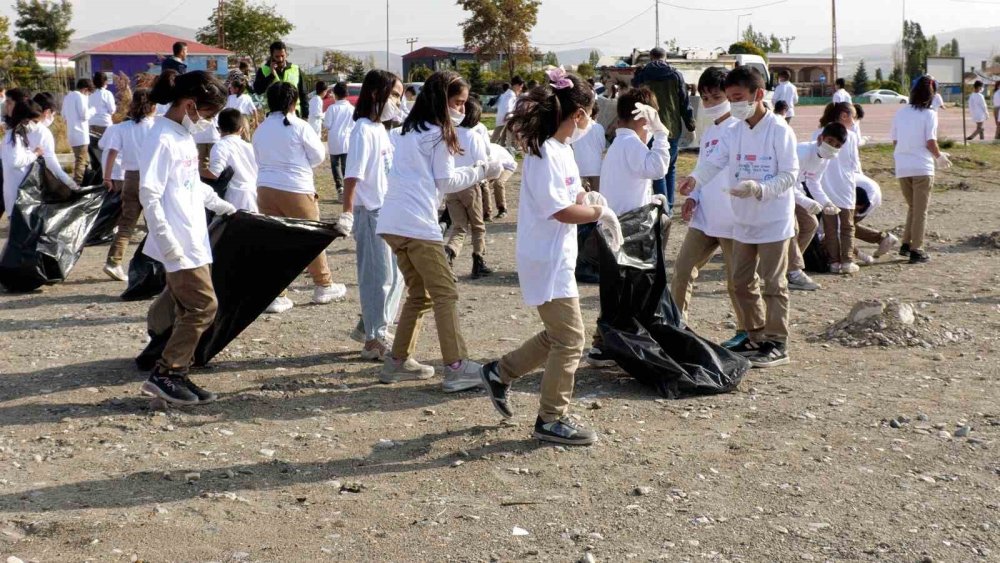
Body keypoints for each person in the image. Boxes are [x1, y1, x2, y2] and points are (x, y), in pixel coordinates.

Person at [478, 68, 620, 446]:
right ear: (577, 115)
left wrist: (589, 200)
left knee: (560, 333)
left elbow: (572, 198)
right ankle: (551, 418)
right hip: (546, 255)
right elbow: (559, 211)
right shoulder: (543, 155)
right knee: (571, 339)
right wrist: (597, 213)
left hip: (558, 255)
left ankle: (499, 372)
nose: (591, 121)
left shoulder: (561, 151)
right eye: (589, 113)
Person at [375, 70, 503, 390]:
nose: (461, 109)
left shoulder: (406, 131)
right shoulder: (440, 133)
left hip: (393, 222)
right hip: (417, 225)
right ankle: (457, 367)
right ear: (441, 101)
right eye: (457, 102)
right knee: (446, 292)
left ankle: (397, 362)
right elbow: (446, 182)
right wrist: (481, 170)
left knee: (421, 294)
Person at [679, 66, 799, 368]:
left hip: (772, 219)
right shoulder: (735, 131)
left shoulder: (779, 129)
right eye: (730, 99)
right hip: (743, 220)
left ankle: (777, 342)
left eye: (738, 98)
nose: (733, 105)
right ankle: (754, 335)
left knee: (773, 282)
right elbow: (715, 161)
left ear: (758, 95)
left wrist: (760, 188)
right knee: (742, 281)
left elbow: (790, 174)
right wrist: (694, 180)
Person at [139, 70, 237, 405]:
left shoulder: (182, 137)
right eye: (208, 114)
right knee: (203, 306)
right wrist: (168, 245)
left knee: (187, 310)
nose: (209, 122)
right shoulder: (160, 137)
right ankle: (166, 373)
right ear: (191, 105)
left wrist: (224, 206)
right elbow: (149, 195)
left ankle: (178, 373)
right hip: (178, 242)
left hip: (194, 238)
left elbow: (191, 185)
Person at [669, 68, 746, 346]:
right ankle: (677, 325)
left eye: (716, 96)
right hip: (705, 217)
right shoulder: (711, 131)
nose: (711, 103)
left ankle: (746, 330)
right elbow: (704, 168)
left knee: (737, 281)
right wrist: (694, 197)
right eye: (706, 98)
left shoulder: (740, 128)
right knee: (682, 271)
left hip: (731, 219)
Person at [253, 81, 344, 312]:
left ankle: (276, 294)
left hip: (265, 189)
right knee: (311, 238)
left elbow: (258, 157)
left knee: (275, 243)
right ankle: (323, 284)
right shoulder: (299, 126)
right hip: (296, 187)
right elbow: (318, 155)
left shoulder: (261, 128)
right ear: (293, 102)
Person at [341, 69, 404, 361]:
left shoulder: (381, 129)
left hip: (388, 209)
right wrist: (347, 213)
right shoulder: (363, 130)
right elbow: (352, 176)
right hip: (370, 212)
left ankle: (371, 324)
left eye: (400, 97)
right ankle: (373, 340)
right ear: (377, 94)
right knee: (378, 277)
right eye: (394, 95)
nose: (397, 101)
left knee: (398, 275)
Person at [889, 75, 951, 264]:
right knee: (920, 210)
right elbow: (930, 141)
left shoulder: (900, 113)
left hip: (902, 165)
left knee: (913, 207)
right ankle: (918, 249)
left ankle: (906, 244)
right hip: (922, 167)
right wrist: (939, 157)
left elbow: (895, 140)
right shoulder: (929, 114)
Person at [101, 88, 157, 281]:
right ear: (153, 106)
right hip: (153, 178)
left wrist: (107, 177)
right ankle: (154, 265)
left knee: (126, 224)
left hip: (130, 178)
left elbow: (111, 152)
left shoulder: (122, 128)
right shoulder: (157, 127)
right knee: (155, 224)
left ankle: (114, 262)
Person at [787, 122, 847, 292]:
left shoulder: (824, 158)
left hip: (795, 191)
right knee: (793, 228)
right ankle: (794, 271)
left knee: (811, 224)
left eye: (837, 146)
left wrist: (826, 202)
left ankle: (787, 265)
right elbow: (787, 182)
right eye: (829, 141)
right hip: (781, 190)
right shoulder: (803, 152)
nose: (832, 147)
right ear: (821, 138)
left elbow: (813, 181)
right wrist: (806, 202)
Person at [632, 47, 695, 209]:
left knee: (657, 170)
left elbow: (635, 98)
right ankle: (670, 206)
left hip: (649, 128)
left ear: (650, 57)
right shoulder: (675, 75)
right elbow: (684, 102)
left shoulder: (642, 75)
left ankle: (662, 208)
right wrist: (690, 125)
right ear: (665, 57)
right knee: (670, 167)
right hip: (672, 126)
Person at [444, 97, 494, 278]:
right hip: (469, 184)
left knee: (459, 226)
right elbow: (482, 161)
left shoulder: (448, 133)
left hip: (450, 185)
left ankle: (449, 252)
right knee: (478, 226)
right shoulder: (473, 135)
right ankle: (478, 261)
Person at [813, 102, 862, 274]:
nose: (854, 121)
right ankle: (847, 261)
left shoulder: (818, 133)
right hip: (844, 185)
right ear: (844, 116)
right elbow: (854, 164)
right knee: (847, 226)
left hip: (822, 185)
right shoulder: (851, 136)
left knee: (830, 227)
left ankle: (834, 262)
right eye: (853, 116)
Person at [205, 108, 258, 212]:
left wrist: (196, 170)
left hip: (234, 199)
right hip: (254, 196)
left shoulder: (220, 145)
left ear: (219, 127)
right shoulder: (250, 147)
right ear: (241, 129)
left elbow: (214, 173)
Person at [253, 41, 309, 120]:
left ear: (286, 54)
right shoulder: (263, 70)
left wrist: (305, 115)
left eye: (283, 56)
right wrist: (271, 75)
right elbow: (258, 90)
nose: (280, 59)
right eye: (277, 56)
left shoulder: (295, 69)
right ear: (272, 56)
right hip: (272, 116)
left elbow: (303, 93)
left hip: (294, 114)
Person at [61, 78, 96, 184]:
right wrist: (93, 110)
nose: (88, 95)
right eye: (89, 93)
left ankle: (83, 181)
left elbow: (63, 115)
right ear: (85, 89)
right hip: (81, 134)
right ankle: (78, 183)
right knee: (81, 160)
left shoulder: (68, 97)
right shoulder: (80, 97)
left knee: (83, 159)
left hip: (71, 133)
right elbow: (84, 115)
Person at [323, 82, 354, 198]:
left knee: (335, 165)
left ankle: (340, 187)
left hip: (334, 140)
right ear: (347, 94)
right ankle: (347, 189)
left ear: (335, 94)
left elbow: (327, 125)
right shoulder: (351, 109)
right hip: (347, 140)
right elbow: (354, 125)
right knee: (346, 166)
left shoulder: (332, 108)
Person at [572, 105, 605, 192]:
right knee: (597, 197)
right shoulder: (599, 127)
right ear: (596, 115)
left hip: (579, 168)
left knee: (582, 199)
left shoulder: (575, 127)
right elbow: (602, 146)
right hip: (596, 169)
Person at [491, 75, 523, 146]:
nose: (521, 89)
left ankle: (502, 148)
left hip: (503, 119)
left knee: (501, 137)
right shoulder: (510, 95)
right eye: (521, 87)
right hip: (505, 119)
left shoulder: (506, 94)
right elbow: (507, 109)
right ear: (517, 85)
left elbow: (496, 106)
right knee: (496, 138)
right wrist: (510, 115)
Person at [88, 72, 116, 136]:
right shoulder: (107, 93)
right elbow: (112, 110)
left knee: (94, 145)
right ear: (105, 81)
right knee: (106, 145)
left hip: (92, 122)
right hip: (104, 122)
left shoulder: (90, 94)